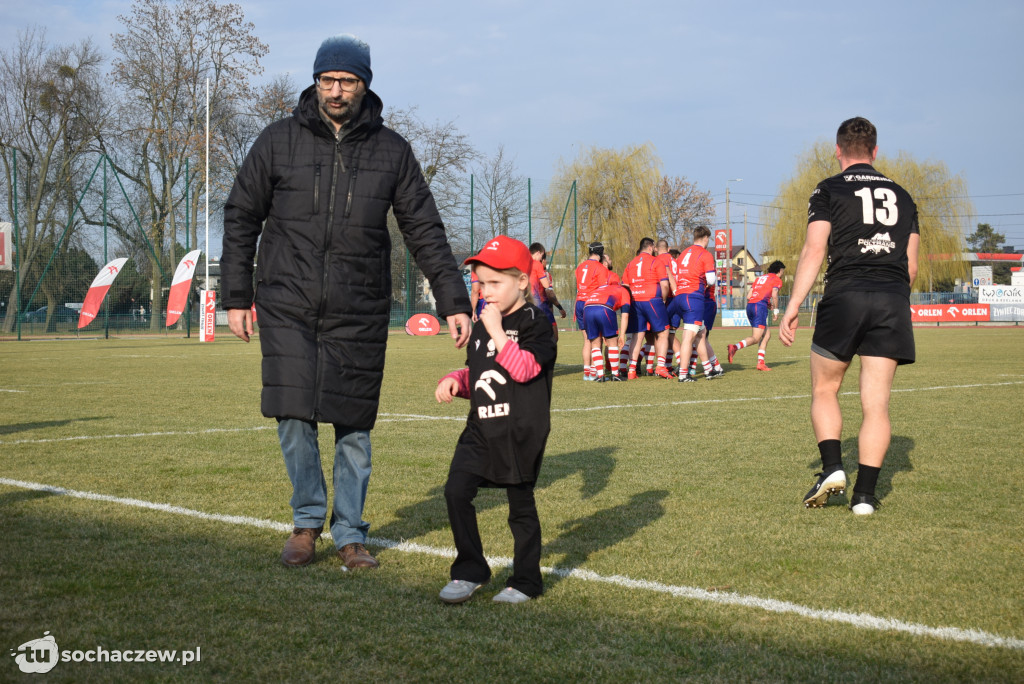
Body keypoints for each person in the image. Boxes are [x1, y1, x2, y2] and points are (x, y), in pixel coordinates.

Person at [221, 34, 472, 570]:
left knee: (354, 423)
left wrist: (455, 299)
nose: (336, 91)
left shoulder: (392, 151)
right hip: (287, 301)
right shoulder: (277, 141)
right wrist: (237, 294)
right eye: (327, 81)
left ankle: (351, 533)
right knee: (292, 413)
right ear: (315, 83)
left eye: (347, 81)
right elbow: (242, 215)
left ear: (365, 85)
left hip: (358, 307)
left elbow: (424, 228)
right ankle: (307, 522)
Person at [779, 116, 919, 516]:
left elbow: (814, 248)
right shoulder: (904, 196)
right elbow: (910, 267)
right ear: (875, 152)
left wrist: (792, 305)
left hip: (845, 296)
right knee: (876, 404)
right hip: (892, 299)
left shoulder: (829, 188)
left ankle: (832, 470)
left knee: (825, 389)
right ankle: (865, 498)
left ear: (838, 151)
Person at [435, 236, 557, 603]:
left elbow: (522, 370)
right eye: (481, 283)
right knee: (456, 491)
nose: (486, 291)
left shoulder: (536, 323)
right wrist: (457, 380)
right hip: (481, 427)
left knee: (520, 509)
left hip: (519, 430)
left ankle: (525, 582)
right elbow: (482, 374)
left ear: (522, 281)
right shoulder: (484, 322)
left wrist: (497, 332)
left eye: (495, 283)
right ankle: (470, 570)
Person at [668, 226, 717, 382]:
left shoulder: (683, 254)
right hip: (693, 297)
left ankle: (709, 369)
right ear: (706, 238)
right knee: (689, 337)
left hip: (679, 296)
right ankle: (683, 373)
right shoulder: (705, 254)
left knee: (700, 333)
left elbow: (676, 275)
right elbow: (711, 280)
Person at [624, 237, 673, 379]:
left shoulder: (630, 263)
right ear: (651, 247)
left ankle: (632, 370)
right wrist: (663, 300)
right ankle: (661, 366)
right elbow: (665, 284)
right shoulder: (656, 261)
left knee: (637, 336)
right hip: (652, 299)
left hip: (635, 300)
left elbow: (626, 285)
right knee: (663, 332)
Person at [727, 261, 785, 371]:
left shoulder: (760, 278)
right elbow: (774, 295)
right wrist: (776, 311)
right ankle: (734, 347)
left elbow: (749, 296)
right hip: (759, 307)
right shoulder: (776, 279)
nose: (782, 274)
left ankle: (761, 363)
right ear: (779, 271)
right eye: (782, 272)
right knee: (756, 338)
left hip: (750, 306)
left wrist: (766, 303)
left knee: (766, 335)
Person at [574, 242, 610, 380]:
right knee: (596, 339)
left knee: (586, 340)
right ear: (601, 253)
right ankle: (595, 372)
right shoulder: (600, 268)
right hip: (591, 304)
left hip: (579, 303)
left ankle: (586, 372)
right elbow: (603, 291)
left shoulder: (580, 267)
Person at [582, 281, 631, 382]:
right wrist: (622, 335)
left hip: (587, 309)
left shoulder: (602, 287)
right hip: (604, 308)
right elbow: (625, 315)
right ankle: (615, 374)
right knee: (612, 343)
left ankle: (600, 376)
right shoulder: (624, 291)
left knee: (595, 344)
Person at [529, 243, 566, 341]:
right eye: (542, 257)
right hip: (536, 301)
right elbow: (547, 287)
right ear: (538, 253)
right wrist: (560, 307)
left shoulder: (521, 263)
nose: (542, 260)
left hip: (520, 300)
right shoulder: (538, 265)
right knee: (553, 335)